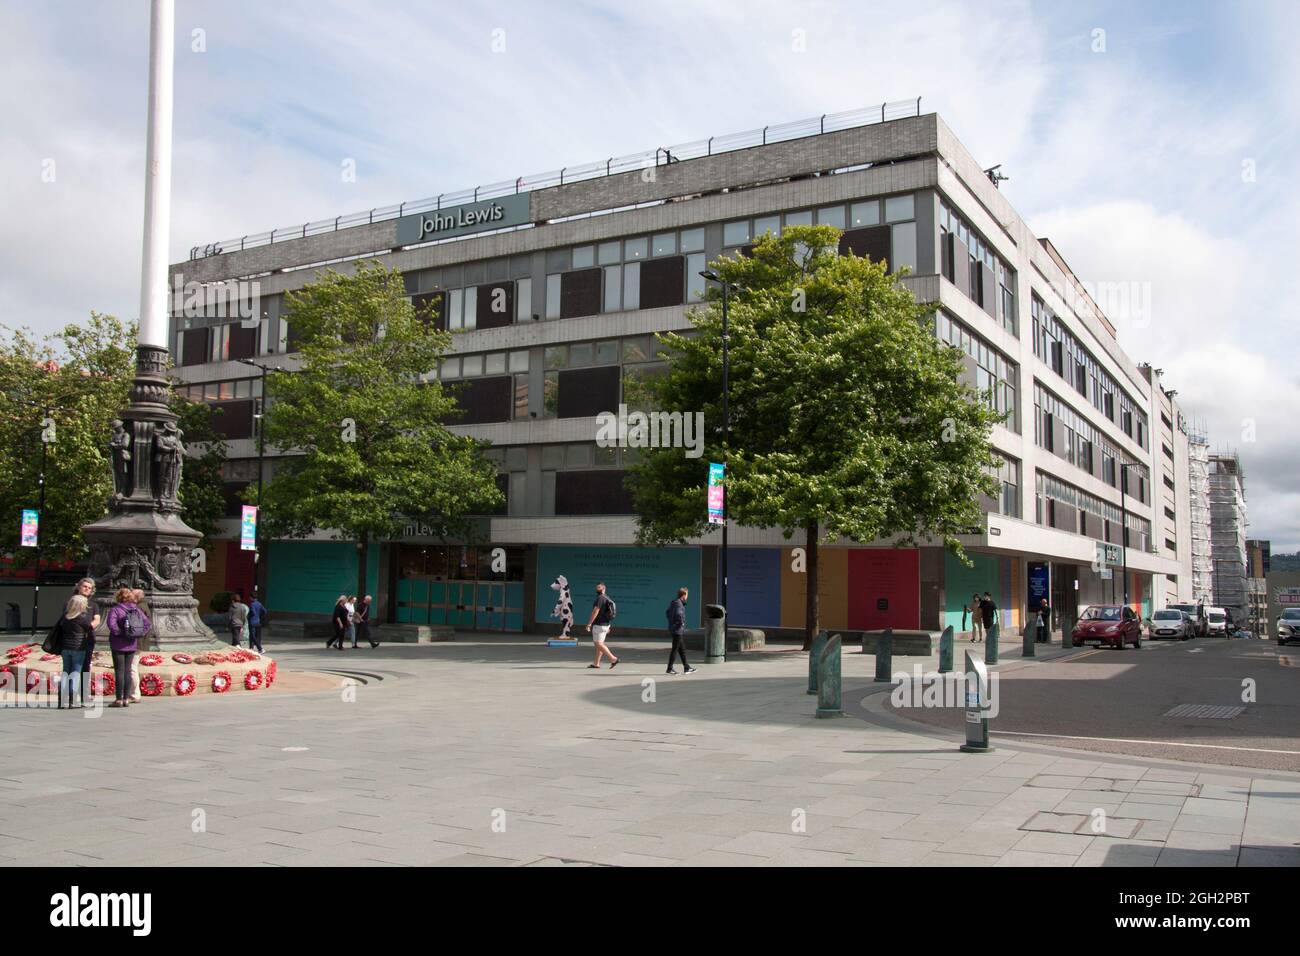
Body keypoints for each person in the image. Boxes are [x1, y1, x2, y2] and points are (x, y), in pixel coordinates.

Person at [106, 587, 149, 708]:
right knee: (128, 670)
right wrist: (139, 634)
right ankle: (126, 699)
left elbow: (111, 624)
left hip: (118, 644)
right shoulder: (136, 609)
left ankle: (119, 699)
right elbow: (147, 624)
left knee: (119, 671)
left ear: (118, 597)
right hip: (132, 644)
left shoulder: (116, 609)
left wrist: (120, 633)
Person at [55, 594, 98, 709]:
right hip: (78, 648)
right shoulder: (81, 619)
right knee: (75, 673)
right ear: (81, 606)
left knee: (65, 673)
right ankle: (72, 700)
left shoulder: (65, 618)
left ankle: (62, 700)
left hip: (65, 648)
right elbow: (90, 628)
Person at [585, 582, 619, 669]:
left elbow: (596, 611)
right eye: (597, 587)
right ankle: (596, 663)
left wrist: (589, 623)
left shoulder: (600, 598)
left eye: (599, 587)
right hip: (605, 625)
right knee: (600, 644)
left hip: (599, 625)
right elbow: (608, 612)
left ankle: (613, 658)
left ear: (604, 588)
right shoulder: (607, 598)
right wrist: (609, 625)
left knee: (598, 644)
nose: (597, 589)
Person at [665, 587, 696, 675]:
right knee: (675, 649)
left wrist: (671, 622)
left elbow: (667, 612)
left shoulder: (674, 602)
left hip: (674, 629)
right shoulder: (679, 604)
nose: (687, 597)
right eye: (687, 595)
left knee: (682, 649)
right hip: (677, 630)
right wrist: (680, 624)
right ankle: (670, 668)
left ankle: (686, 667)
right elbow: (679, 614)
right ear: (683, 595)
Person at [130, 588, 149, 702]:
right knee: (133, 667)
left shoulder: (139, 608)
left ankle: (135, 694)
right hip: (139, 641)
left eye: (131, 595)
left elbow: (137, 627)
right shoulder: (143, 606)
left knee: (132, 668)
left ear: (136, 597)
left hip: (136, 642)